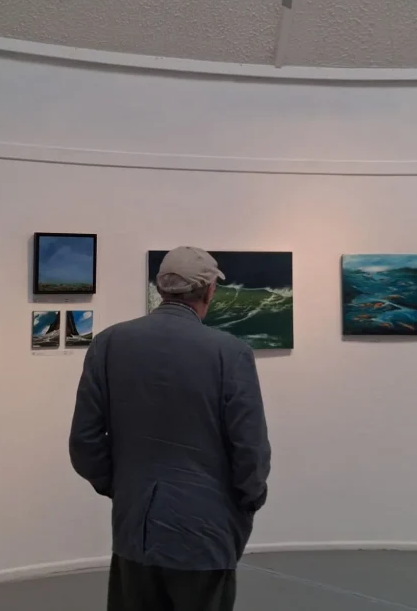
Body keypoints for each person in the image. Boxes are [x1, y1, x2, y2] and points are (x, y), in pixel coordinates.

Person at [69, 246, 271, 611]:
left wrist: (122, 486)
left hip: (135, 529)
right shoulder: (231, 352)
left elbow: (84, 442)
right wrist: (249, 499)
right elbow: (250, 450)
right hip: (206, 533)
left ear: (160, 288)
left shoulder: (109, 344)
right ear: (209, 290)